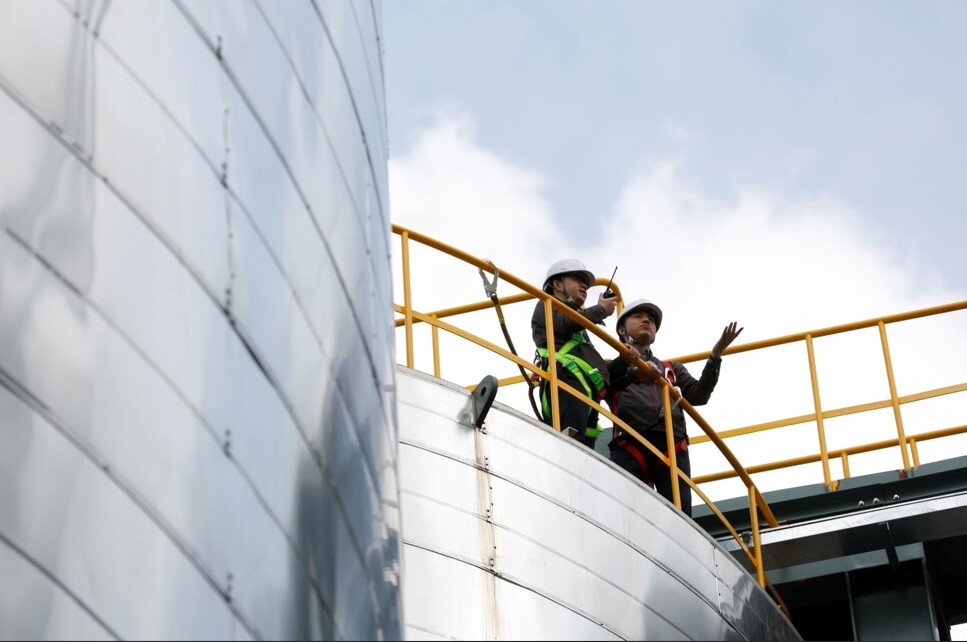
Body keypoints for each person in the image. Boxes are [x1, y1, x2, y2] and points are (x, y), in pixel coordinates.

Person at [607, 298, 742, 516]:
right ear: (622, 329)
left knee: (680, 518)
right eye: (639, 316)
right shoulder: (612, 367)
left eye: (651, 319)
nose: (647, 321)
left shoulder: (671, 369)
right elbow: (604, 385)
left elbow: (699, 396)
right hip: (629, 444)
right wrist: (631, 366)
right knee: (626, 516)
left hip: (671, 445)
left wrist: (715, 356)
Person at [532, 259, 617, 450]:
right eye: (577, 279)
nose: (584, 285)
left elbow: (593, 363)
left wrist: (628, 362)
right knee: (572, 446)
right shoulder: (546, 305)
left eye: (584, 282)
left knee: (583, 452)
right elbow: (565, 323)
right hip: (566, 378)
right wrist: (600, 310)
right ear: (557, 284)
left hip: (583, 388)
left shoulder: (579, 326)